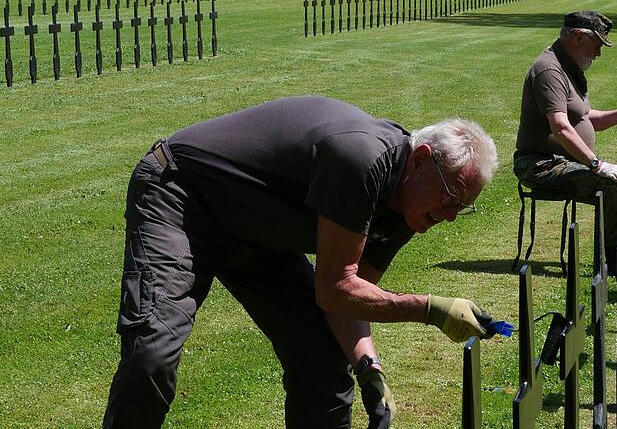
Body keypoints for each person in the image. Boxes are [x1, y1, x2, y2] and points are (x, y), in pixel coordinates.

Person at [102, 95, 500, 429]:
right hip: (183, 196)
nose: (449, 215)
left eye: (462, 208)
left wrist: (369, 369)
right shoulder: (361, 159)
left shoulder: (407, 209)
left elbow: (347, 300)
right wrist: (431, 310)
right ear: (420, 159)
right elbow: (335, 286)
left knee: (323, 354)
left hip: (257, 231)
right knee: (151, 354)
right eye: (451, 198)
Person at [513, 10, 617, 275]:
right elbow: (561, 127)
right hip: (540, 165)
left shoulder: (568, 67)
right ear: (579, 37)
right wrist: (596, 164)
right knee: (613, 183)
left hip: (561, 162)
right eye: (597, 45)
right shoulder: (549, 70)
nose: (598, 54)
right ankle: (613, 264)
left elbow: (584, 118)